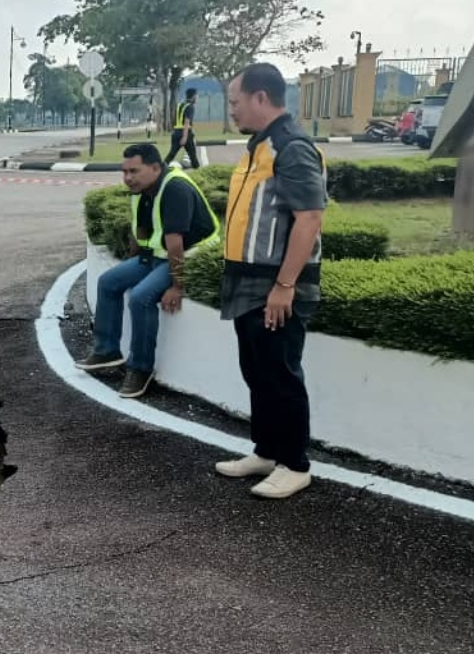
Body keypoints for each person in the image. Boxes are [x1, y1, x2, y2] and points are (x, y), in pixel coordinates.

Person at [213, 62, 327, 500]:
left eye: (235, 102)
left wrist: (284, 287)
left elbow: (309, 218)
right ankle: (266, 451)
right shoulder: (258, 146)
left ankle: (295, 464)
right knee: (257, 371)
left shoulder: (291, 147)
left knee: (280, 373)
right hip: (246, 279)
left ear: (261, 98)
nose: (232, 111)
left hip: (275, 284)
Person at [76, 142, 220, 398]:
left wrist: (177, 286)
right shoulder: (143, 189)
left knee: (141, 297)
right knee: (109, 281)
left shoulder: (175, 188)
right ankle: (107, 350)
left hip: (187, 256)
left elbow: (175, 243)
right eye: (125, 172)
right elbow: (139, 230)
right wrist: (132, 265)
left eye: (134, 171)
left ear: (155, 167)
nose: (128, 178)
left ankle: (141, 369)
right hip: (156, 256)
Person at [164, 88, 200, 169]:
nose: (197, 98)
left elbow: (174, 120)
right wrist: (184, 137)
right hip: (185, 134)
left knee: (171, 154)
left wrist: (175, 131)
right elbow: (187, 122)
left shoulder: (179, 105)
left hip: (176, 133)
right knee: (193, 156)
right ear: (193, 96)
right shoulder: (190, 107)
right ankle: (198, 173)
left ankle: (161, 169)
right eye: (197, 96)